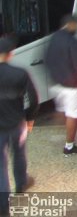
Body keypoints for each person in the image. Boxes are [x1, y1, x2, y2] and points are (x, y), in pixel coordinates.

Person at [0, 37, 38, 216]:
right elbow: (33, 98)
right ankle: (21, 185)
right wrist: (29, 119)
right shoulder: (20, 73)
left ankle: (3, 205)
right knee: (19, 155)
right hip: (17, 124)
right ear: (10, 54)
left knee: (1, 165)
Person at [44, 15, 77, 156]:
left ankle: (62, 135)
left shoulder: (54, 37)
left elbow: (47, 59)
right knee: (72, 115)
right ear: (70, 24)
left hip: (57, 83)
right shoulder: (73, 42)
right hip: (72, 87)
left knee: (63, 110)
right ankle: (69, 147)